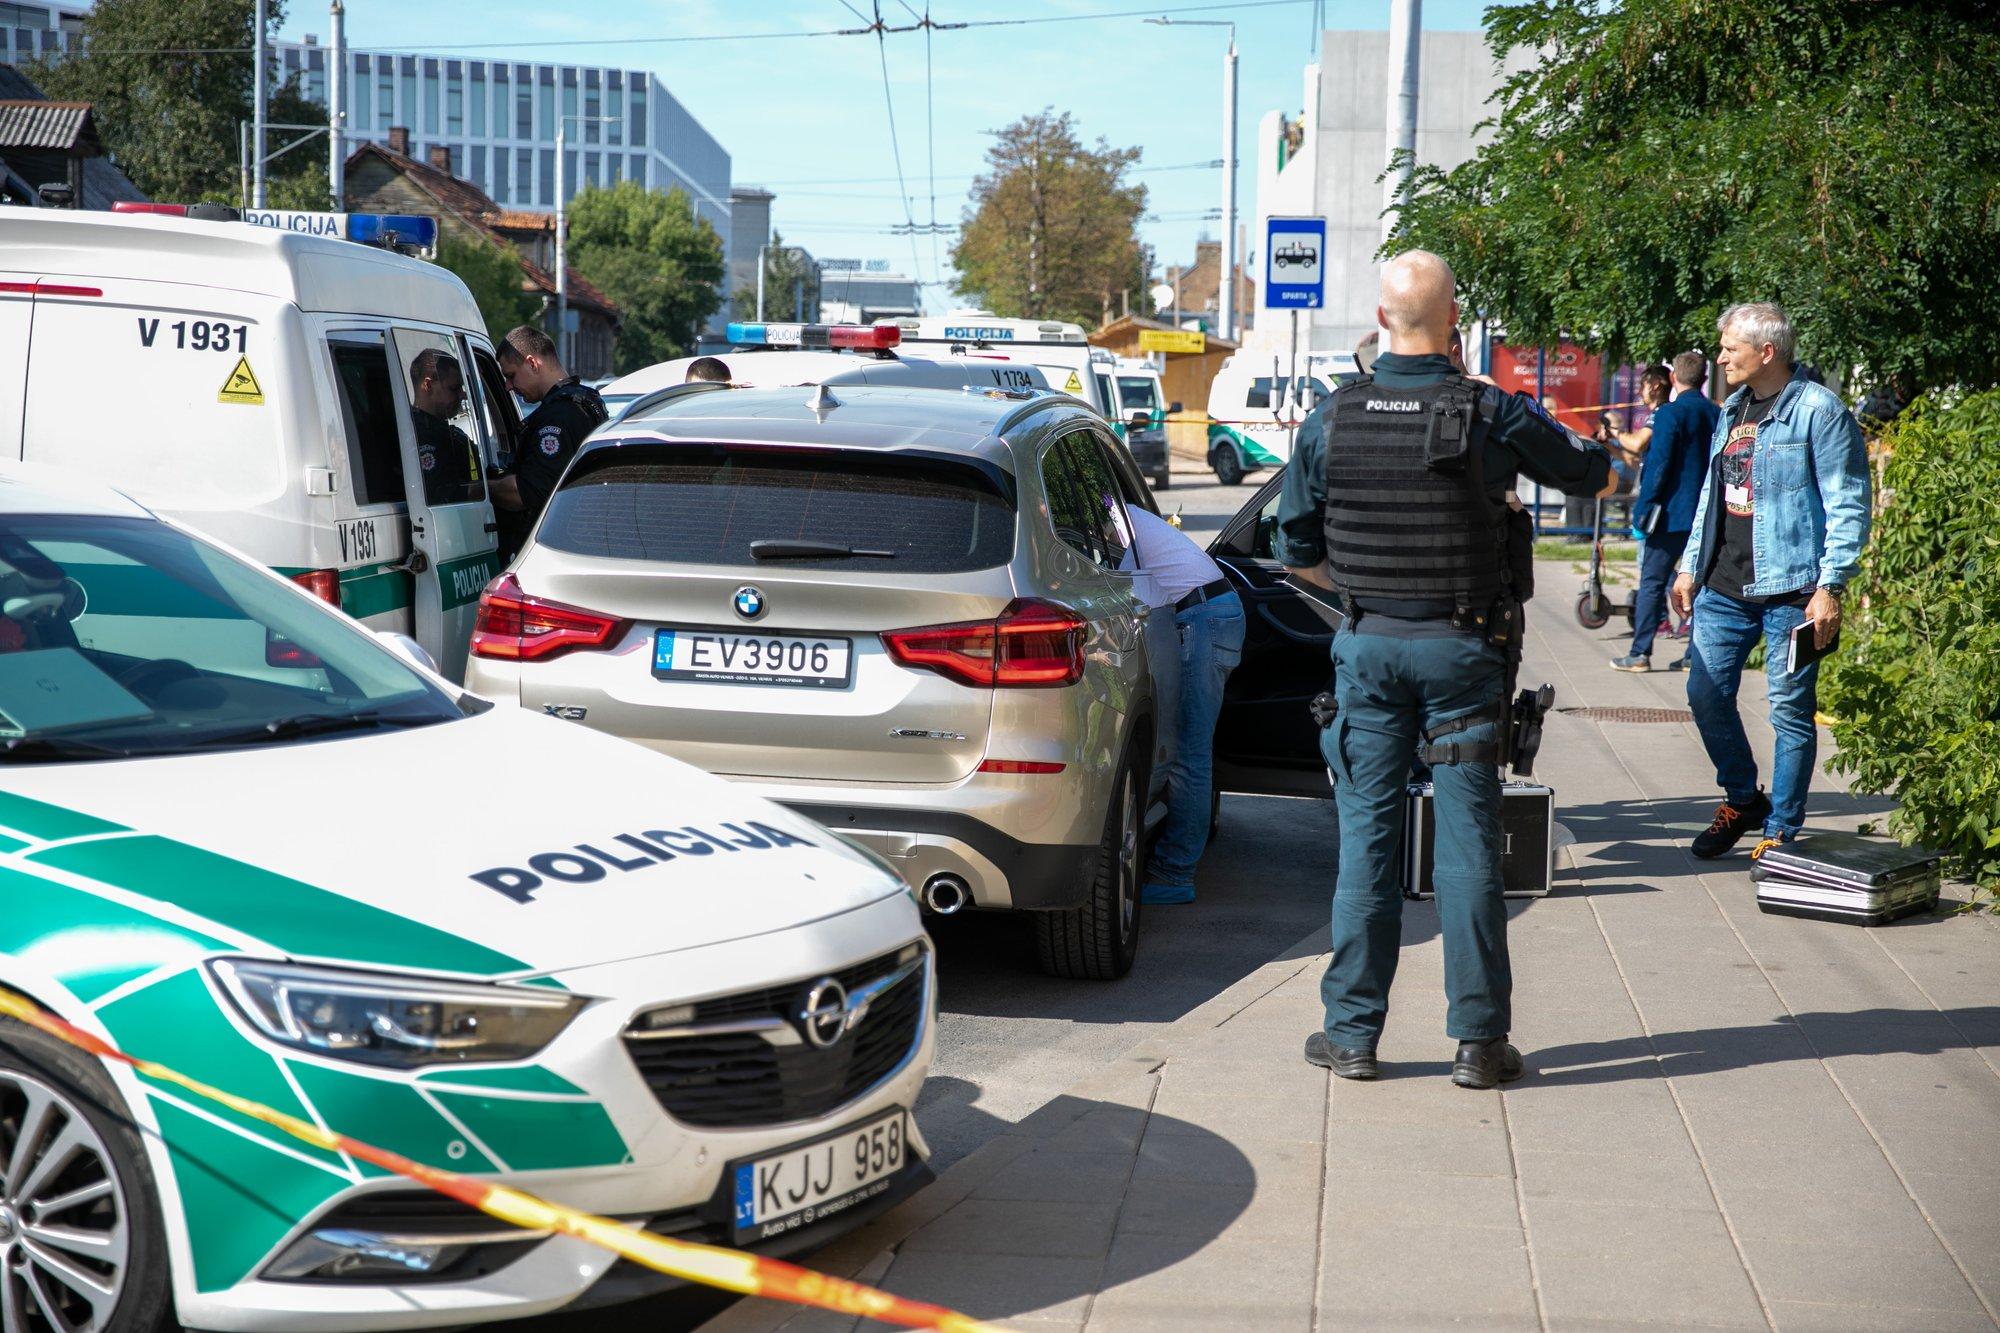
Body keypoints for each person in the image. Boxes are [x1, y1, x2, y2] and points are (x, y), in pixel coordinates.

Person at [1277, 250, 1614, 1088]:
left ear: (1382, 318)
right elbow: (1593, 472)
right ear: (1455, 322)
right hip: (1464, 655)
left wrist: (1362, 591)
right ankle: (1480, 1043)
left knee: (1368, 844)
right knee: (1466, 847)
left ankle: (1351, 1034)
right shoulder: (1491, 410)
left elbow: (1295, 551)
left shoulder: (1330, 418)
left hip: (1369, 651)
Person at [1670, 302, 1870, 857]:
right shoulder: (1731, 407)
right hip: (1723, 587)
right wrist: (1690, 566)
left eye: (1730, 347)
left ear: (1766, 352)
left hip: (1794, 590)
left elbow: (1847, 502)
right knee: (1705, 695)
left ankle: (1781, 829)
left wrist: (1830, 586)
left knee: (1789, 710)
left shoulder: (1819, 411)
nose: (1720, 356)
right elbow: (1714, 496)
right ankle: (1742, 798)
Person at [1119, 506, 1245, 905]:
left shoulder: (1115, 522)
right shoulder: (1128, 515)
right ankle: (1176, 864)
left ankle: (1174, 873)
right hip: (1212, 611)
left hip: (1201, 617)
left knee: (1189, 754)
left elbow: (1124, 597)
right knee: (1192, 750)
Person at [1612, 351, 1718, 672]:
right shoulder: (1716, 414)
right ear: (1704, 379)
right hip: (1705, 515)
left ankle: (1640, 653)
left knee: (1652, 583)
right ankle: (1692, 656)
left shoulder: (1670, 414)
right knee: (1698, 585)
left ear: (1673, 378)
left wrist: (1642, 512)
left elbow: (1657, 467)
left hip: (1669, 515)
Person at [488, 326, 609, 536]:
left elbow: (528, 492)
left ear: (533, 363)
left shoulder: (559, 416)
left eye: (511, 375)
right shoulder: (586, 400)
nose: (508, 386)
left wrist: (480, 488)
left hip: (559, 537)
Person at [406, 348, 480, 504]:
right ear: (428, 385)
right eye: (454, 388)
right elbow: (440, 495)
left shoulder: (454, 437)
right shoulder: (411, 436)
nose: (463, 395)